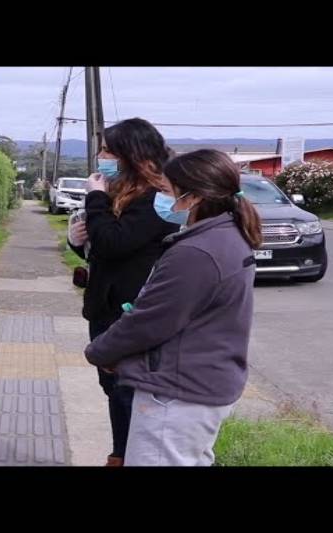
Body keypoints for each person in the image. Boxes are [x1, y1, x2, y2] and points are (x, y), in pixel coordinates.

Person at [84, 149, 262, 466]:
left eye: (166, 191)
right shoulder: (225, 235)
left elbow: (150, 320)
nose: (160, 198)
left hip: (178, 393)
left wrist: (100, 352)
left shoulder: (197, 251)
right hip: (199, 383)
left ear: (193, 197)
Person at [67, 118, 179, 466]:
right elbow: (104, 246)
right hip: (105, 308)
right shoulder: (122, 190)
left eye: (108, 150)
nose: (101, 156)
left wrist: (96, 198)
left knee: (127, 392)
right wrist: (77, 242)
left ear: (132, 155)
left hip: (131, 313)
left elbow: (116, 242)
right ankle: (121, 454)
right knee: (114, 390)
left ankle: (129, 457)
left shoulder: (159, 199)